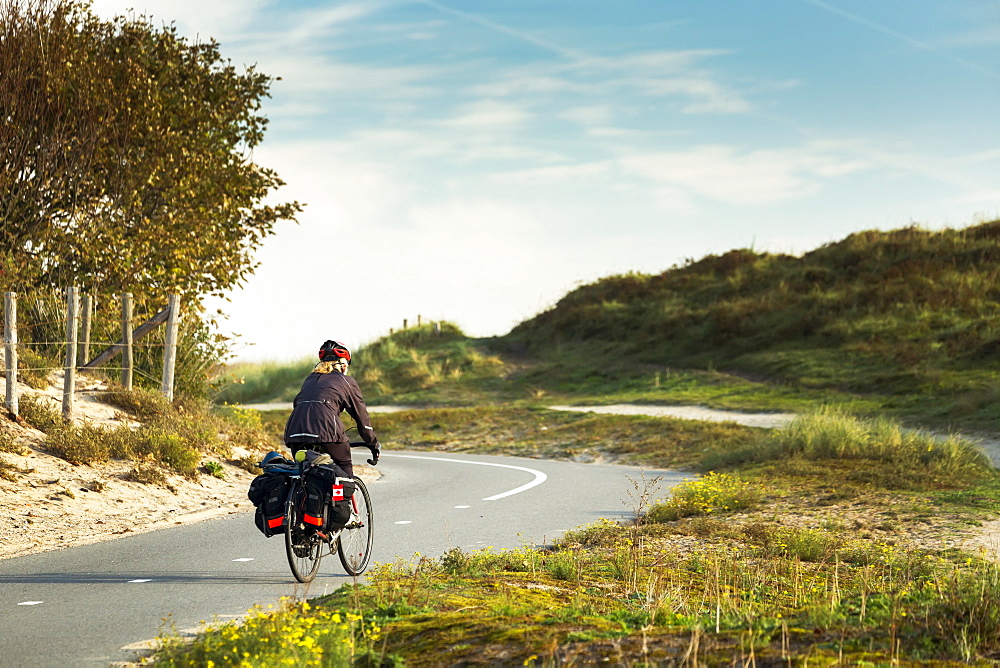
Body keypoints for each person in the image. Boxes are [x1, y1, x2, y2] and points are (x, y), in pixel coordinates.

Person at [282, 340, 380, 477]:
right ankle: (343, 498)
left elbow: (300, 404)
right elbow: (362, 417)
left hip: (295, 433)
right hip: (327, 432)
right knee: (343, 466)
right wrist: (373, 444)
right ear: (343, 364)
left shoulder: (309, 379)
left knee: (305, 473)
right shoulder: (346, 381)